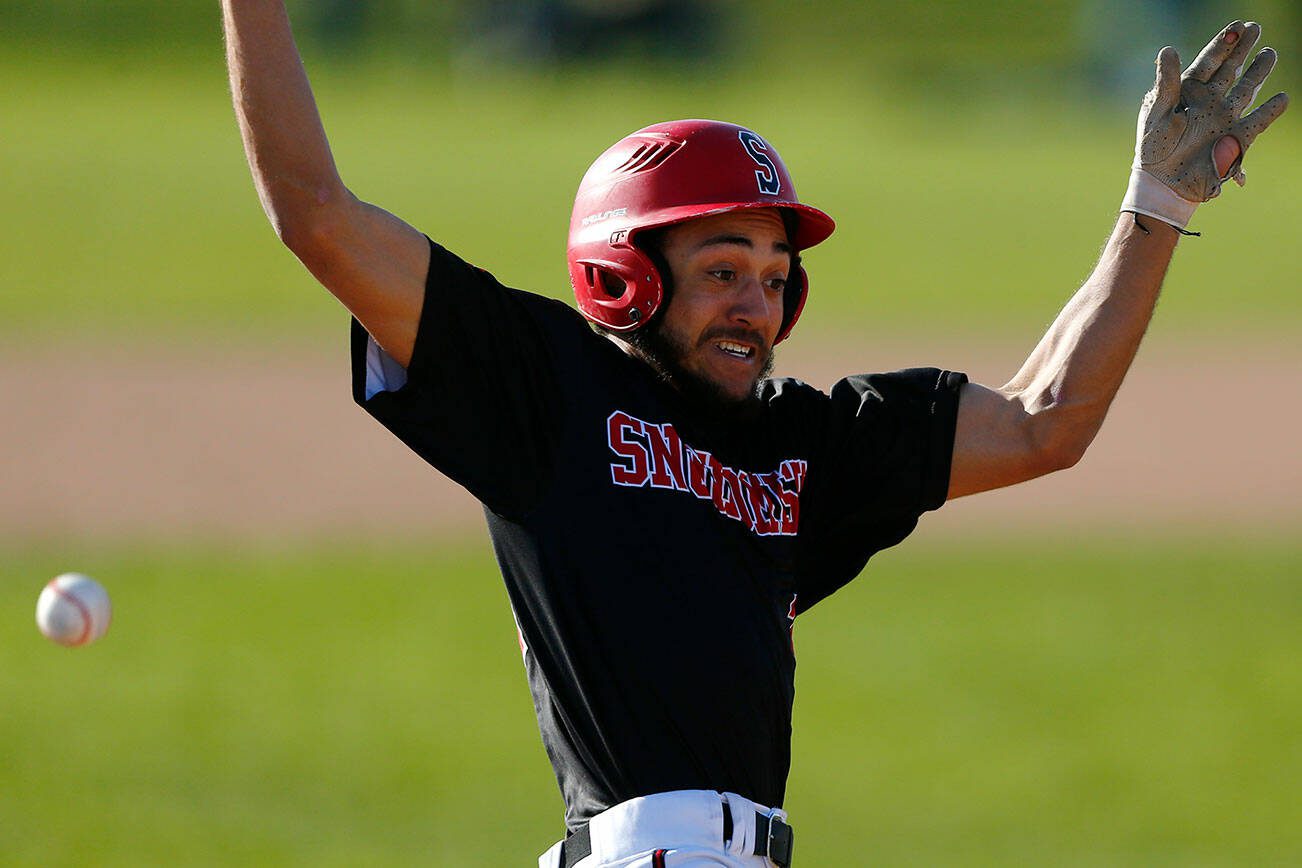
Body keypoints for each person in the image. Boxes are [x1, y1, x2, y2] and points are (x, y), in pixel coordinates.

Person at [221, 4, 1287, 865]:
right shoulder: (550, 393)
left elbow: (1046, 422)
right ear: (624, 274)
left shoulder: (806, 447)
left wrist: (1153, 207)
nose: (757, 307)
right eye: (723, 270)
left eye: (776, 280)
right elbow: (316, 214)